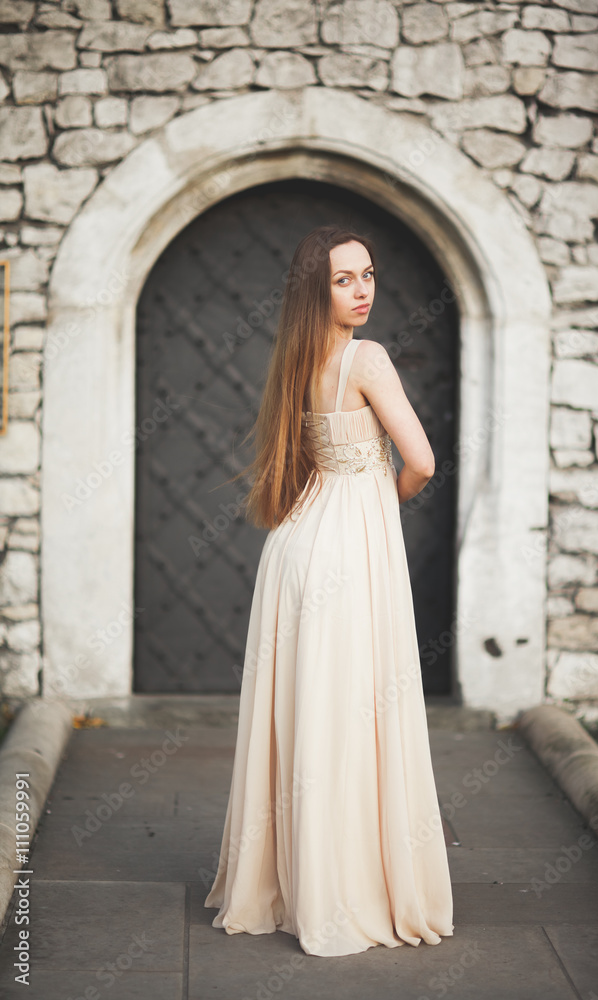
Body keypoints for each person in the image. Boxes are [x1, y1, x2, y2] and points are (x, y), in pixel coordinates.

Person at [204, 223, 454, 957]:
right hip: (348, 551)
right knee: (352, 714)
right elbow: (422, 462)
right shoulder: (366, 358)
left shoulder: (294, 359)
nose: (362, 289)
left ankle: (289, 882)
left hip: (293, 550)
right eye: (345, 278)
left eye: (367, 274)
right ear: (318, 288)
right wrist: (383, 498)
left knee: (307, 712)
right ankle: (348, 884)